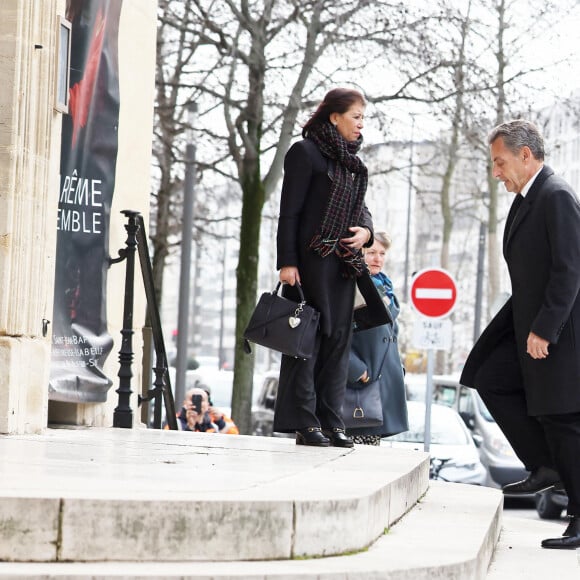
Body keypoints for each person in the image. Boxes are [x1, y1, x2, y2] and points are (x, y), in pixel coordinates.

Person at [460, 119, 580, 550]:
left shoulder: (557, 196)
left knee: (565, 420)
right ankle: (543, 467)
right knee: (489, 377)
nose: (496, 172)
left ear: (525, 155)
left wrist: (545, 329)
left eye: (500, 162)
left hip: (557, 331)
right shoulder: (530, 198)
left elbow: (570, 270)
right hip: (524, 320)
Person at [274, 87, 374, 448]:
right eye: (356, 116)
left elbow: (360, 210)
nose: (361, 124)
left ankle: (333, 421)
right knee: (307, 344)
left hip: (343, 267)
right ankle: (305, 421)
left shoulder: (352, 164)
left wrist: (366, 231)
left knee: (337, 344)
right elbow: (289, 212)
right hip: (309, 265)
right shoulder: (305, 153)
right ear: (335, 116)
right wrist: (286, 261)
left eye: (363, 117)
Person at [346, 231, 409, 445]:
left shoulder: (384, 287)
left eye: (382, 253)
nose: (378, 258)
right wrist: (355, 369)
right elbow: (333, 333)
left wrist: (399, 369)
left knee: (371, 458)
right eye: (371, 252)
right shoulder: (350, 286)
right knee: (355, 461)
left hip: (381, 386)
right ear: (358, 254)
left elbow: (389, 335)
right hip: (357, 387)